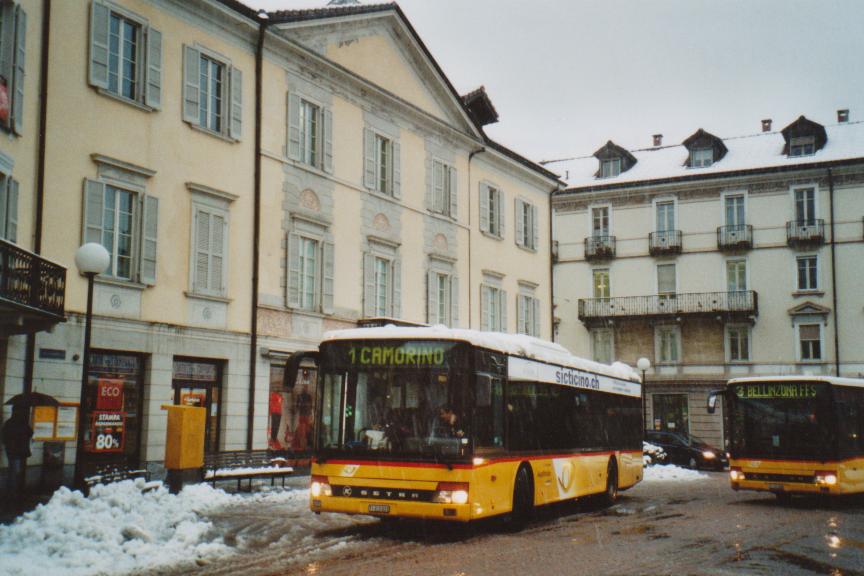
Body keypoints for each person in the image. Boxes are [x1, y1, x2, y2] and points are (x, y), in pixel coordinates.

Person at [2, 406, 33, 496]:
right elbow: (30, 432)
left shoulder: (9, 423)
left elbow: (4, 437)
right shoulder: (22, 422)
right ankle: (13, 491)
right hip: (19, 450)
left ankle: (11, 489)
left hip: (11, 450)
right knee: (16, 470)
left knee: (13, 469)